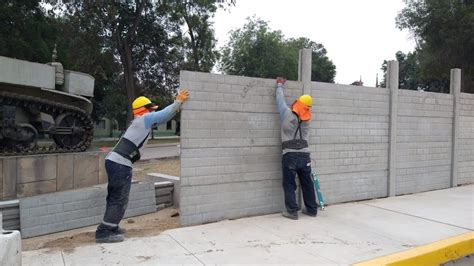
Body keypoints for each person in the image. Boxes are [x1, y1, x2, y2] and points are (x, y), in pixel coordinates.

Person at [95, 89, 189, 243]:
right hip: (120, 164)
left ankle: (111, 226)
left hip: (117, 163)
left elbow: (161, 115)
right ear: (144, 110)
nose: (152, 112)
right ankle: (104, 232)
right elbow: (163, 115)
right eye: (150, 109)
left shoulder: (140, 123)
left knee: (117, 197)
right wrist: (177, 102)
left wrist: (175, 107)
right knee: (119, 198)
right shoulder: (142, 119)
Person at [275, 77, 317, 220]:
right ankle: (312, 210)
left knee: (289, 184)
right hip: (305, 155)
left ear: (298, 104)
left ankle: (292, 212)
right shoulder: (307, 121)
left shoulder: (287, 114)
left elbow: (280, 101)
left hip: (290, 155)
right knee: (307, 183)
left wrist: (279, 85)